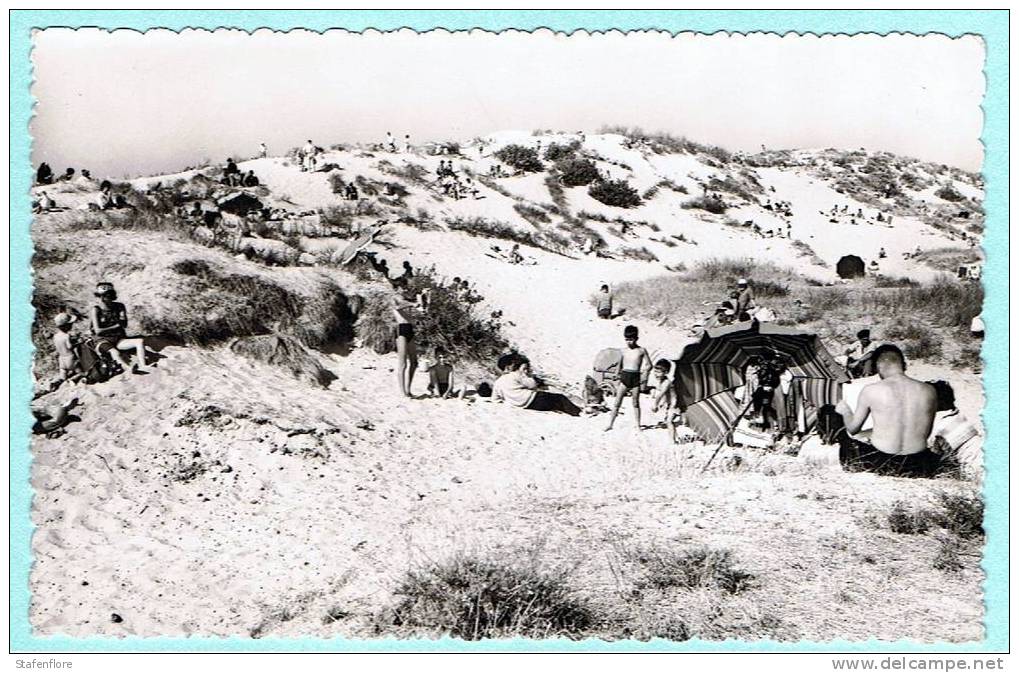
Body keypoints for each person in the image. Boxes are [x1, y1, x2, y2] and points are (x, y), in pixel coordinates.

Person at [834, 344, 939, 477]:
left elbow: (853, 429)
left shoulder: (870, 390)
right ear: (904, 365)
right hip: (919, 463)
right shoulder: (929, 390)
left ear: (878, 367)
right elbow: (925, 433)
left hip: (882, 462)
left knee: (843, 433)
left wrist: (845, 411)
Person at [90, 282, 152, 374]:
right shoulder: (96, 310)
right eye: (100, 296)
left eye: (106, 296)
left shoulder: (119, 306)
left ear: (111, 295)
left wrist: (118, 325)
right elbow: (98, 331)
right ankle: (128, 369)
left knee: (140, 341)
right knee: (115, 352)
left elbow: (124, 324)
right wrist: (116, 326)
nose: (102, 299)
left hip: (118, 339)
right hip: (102, 340)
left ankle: (143, 365)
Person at [492, 355, 581, 416]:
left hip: (522, 404)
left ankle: (570, 409)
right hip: (531, 398)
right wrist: (532, 379)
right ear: (508, 368)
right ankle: (579, 413)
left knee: (554, 402)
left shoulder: (498, 382)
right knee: (560, 398)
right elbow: (532, 384)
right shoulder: (515, 375)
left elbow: (495, 399)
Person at [605, 325, 651, 432]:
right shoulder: (623, 351)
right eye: (627, 339)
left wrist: (644, 374)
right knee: (617, 402)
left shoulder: (641, 350)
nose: (629, 342)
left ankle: (638, 425)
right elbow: (620, 364)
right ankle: (610, 424)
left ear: (636, 339)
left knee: (635, 402)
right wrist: (616, 373)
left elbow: (649, 365)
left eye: (631, 339)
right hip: (625, 376)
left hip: (635, 377)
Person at [392, 294, 418, 397]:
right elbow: (397, 307)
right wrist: (413, 304)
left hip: (410, 329)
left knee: (414, 363)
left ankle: (408, 389)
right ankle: (403, 392)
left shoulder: (408, 300)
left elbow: (418, 312)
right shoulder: (394, 298)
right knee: (402, 364)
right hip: (401, 329)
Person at [650, 359, 680, 443]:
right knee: (669, 421)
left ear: (666, 372)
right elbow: (666, 395)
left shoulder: (666, 382)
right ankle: (674, 438)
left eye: (659, 372)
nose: (656, 374)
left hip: (674, 405)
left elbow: (661, 394)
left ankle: (672, 441)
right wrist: (662, 403)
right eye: (655, 371)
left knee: (669, 421)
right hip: (669, 404)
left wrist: (655, 404)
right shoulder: (661, 381)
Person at [52, 312, 81, 384]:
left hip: (61, 358)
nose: (72, 325)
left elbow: (58, 346)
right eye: (70, 324)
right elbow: (69, 346)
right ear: (65, 326)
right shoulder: (66, 336)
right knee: (80, 372)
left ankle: (60, 381)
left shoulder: (55, 336)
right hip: (70, 358)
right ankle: (74, 379)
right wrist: (77, 343)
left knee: (63, 371)